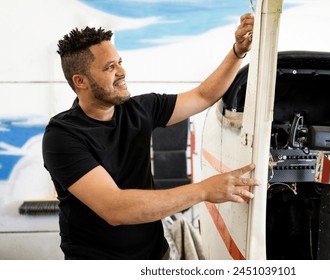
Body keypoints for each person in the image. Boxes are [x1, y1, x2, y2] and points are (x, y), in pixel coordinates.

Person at [42, 13, 257, 260]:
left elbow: (203, 96)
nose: (122, 71)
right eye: (110, 67)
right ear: (80, 81)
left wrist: (238, 52)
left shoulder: (141, 109)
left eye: (119, 62)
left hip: (156, 257)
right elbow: (115, 207)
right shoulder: (62, 135)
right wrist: (204, 191)